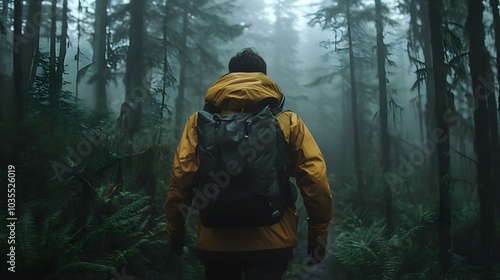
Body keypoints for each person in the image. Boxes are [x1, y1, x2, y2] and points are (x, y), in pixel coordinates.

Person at [165, 48, 333, 280]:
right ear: (264, 78)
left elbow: (181, 178)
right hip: (273, 239)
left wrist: (176, 232)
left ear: (229, 77)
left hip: (216, 242)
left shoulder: (199, 123)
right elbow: (315, 180)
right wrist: (318, 235)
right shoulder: (288, 123)